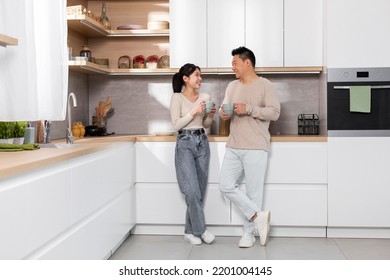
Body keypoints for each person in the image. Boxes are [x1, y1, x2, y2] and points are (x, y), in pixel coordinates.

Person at [219, 47, 281, 247]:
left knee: (254, 192)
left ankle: (248, 234)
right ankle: (258, 217)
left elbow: (274, 113)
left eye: (235, 63)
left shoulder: (266, 85)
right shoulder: (231, 86)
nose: (232, 67)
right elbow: (224, 109)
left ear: (247, 63)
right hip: (234, 145)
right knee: (225, 185)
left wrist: (249, 109)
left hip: (256, 145)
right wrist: (224, 114)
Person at [170, 63, 217, 245]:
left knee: (199, 192)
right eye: (197, 75)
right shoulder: (177, 98)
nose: (200, 78)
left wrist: (210, 115)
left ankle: (189, 231)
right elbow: (176, 125)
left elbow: (205, 124)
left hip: (202, 142)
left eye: (200, 75)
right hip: (184, 143)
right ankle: (201, 230)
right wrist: (194, 111)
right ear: (186, 79)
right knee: (191, 190)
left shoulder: (205, 97)